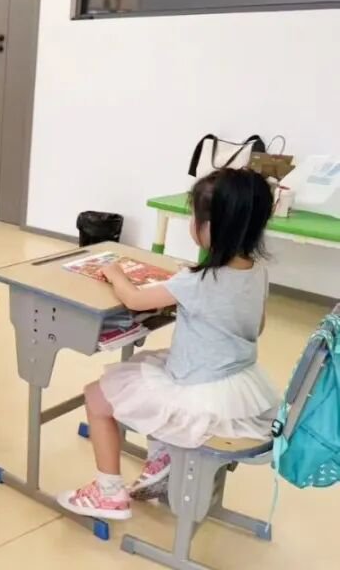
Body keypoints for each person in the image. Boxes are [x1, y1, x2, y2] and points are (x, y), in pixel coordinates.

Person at [58, 168, 280, 521]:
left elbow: (134, 299)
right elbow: (258, 326)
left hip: (196, 393)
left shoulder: (198, 283)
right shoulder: (256, 272)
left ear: (211, 228)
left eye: (195, 217)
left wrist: (115, 274)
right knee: (151, 366)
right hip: (235, 386)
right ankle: (162, 461)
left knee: (97, 396)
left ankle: (108, 492)